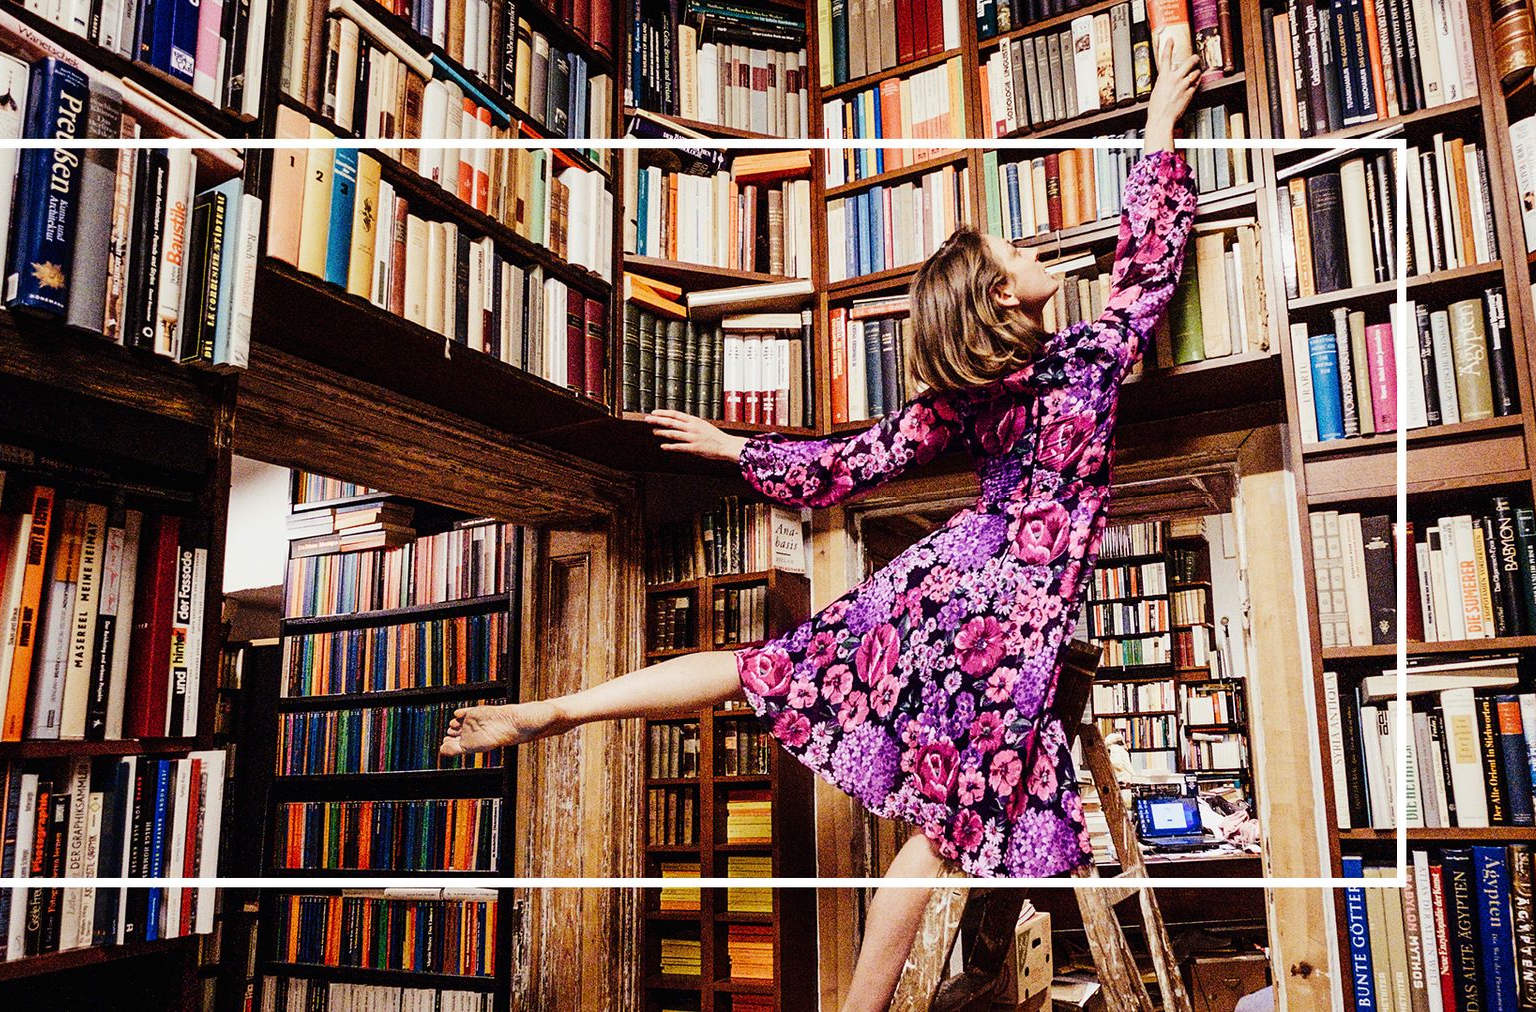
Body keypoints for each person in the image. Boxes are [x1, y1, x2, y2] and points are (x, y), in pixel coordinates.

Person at [440, 37, 1203, 1012]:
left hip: (941, 579)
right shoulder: (1091, 358)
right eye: (1016, 253)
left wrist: (731, 448)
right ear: (1003, 297)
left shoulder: (958, 402)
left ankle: (557, 709)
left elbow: (841, 469)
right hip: (1009, 621)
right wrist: (1158, 132)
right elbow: (1151, 264)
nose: (1034, 248)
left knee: (768, 664)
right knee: (936, 837)